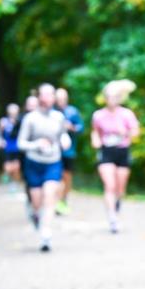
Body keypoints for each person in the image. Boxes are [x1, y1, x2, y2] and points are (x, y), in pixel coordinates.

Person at [17, 84, 72, 252]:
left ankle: (46, 233)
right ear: (39, 97)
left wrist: (65, 139)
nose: (48, 98)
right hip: (34, 162)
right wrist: (36, 144)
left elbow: (63, 134)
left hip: (53, 161)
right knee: (37, 201)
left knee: (50, 196)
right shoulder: (30, 118)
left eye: (51, 95)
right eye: (44, 95)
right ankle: (35, 215)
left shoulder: (58, 117)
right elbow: (21, 143)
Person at [90, 79, 139, 234]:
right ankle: (112, 217)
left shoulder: (127, 114)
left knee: (119, 188)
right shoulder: (98, 115)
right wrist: (95, 140)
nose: (112, 100)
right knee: (109, 185)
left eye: (115, 97)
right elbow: (95, 131)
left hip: (122, 151)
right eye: (109, 97)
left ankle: (117, 202)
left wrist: (123, 133)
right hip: (106, 152)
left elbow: (135, 132)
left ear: (119, 98)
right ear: (105, 98)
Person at [53, 87, 85, 215]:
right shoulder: (52, 112)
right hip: (54, 151)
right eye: (58, 98)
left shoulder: (73, 111)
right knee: (56, 176)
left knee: (67, 177)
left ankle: (63, 199)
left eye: (63, 98)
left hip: (69, 151)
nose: (60, 101)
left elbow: (81, 128)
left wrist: (71, 127)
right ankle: (56, 201)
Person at [0, 103, 21, 186]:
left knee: (16, 167)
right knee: (7, 167)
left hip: (17, 145)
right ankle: (7, 179)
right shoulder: (4, 121)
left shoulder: (20, 120)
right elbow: (0, 133)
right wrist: (1, 140)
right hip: (7, 145)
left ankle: (14, 183)